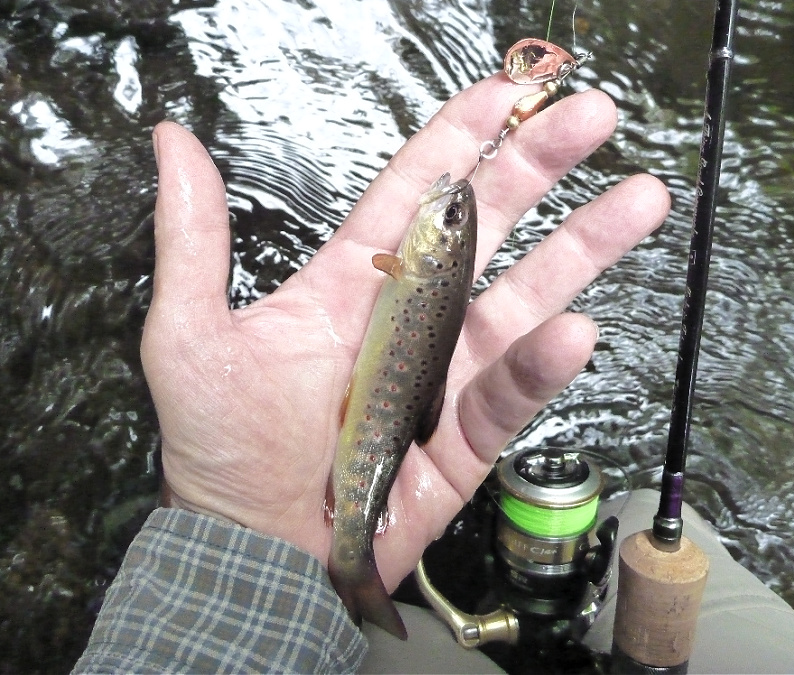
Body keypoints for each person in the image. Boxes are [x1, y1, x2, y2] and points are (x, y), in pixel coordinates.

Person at [72, 72, 669, 673]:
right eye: (458, 219)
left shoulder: (412, 265)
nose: (451, 206)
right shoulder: (416, 265)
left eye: (453, 222)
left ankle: (354, 568)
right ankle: (352, 574)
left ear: (432, 258)